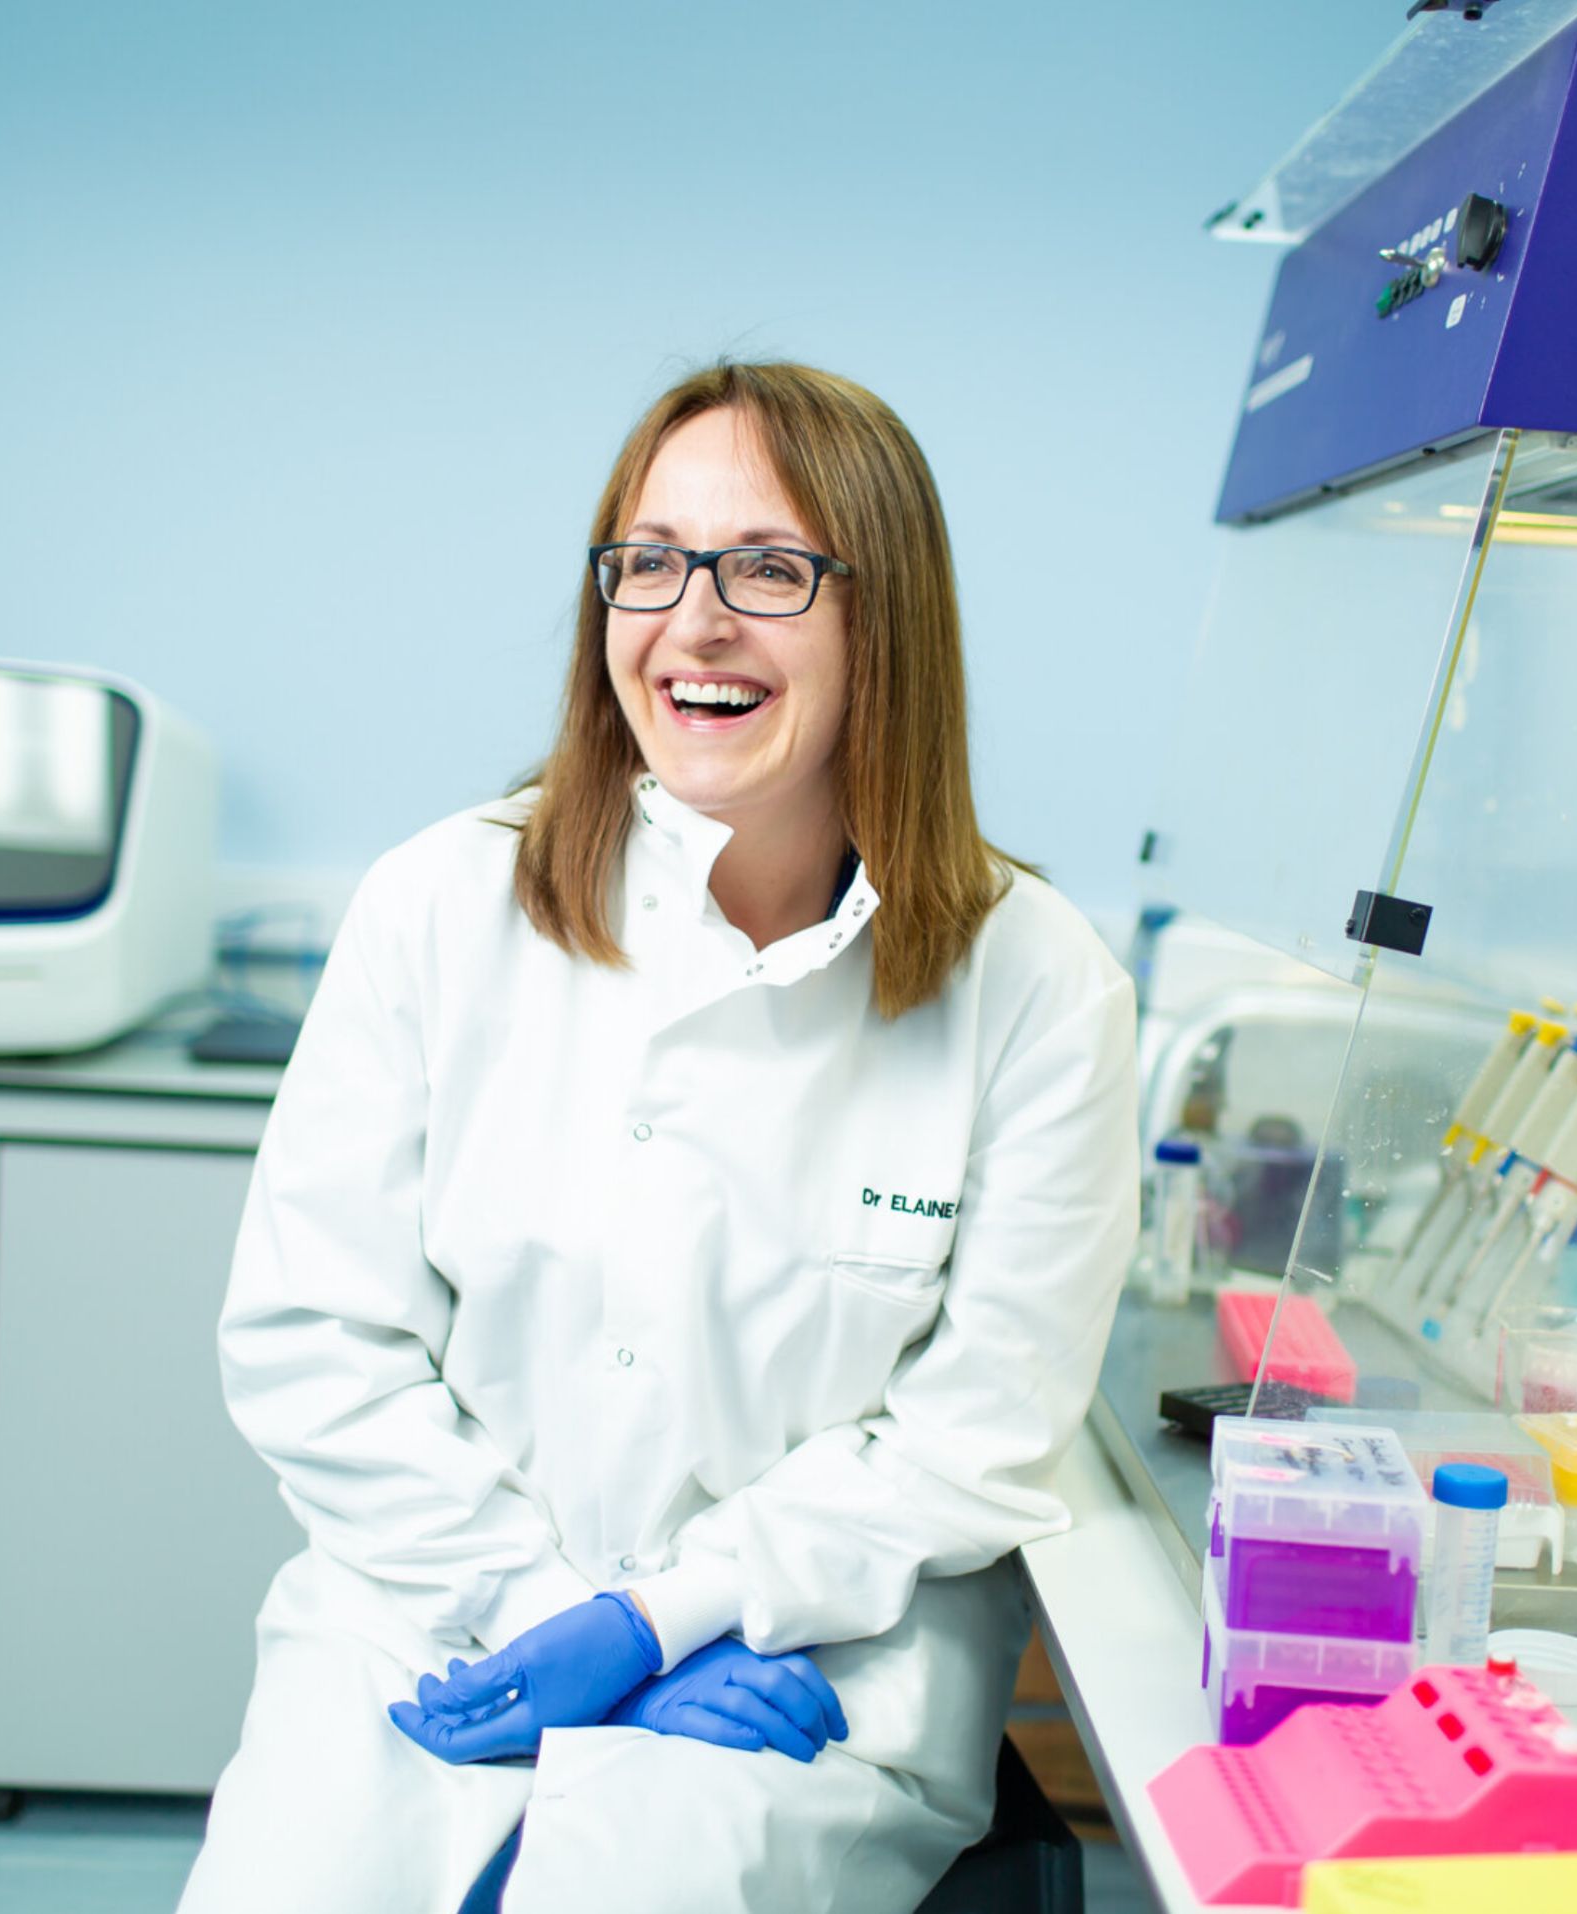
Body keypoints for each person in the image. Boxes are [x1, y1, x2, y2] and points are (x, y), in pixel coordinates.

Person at [177, 360, 1138, 1914]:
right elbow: (314, 1342)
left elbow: (978, 1436)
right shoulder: (438, 906)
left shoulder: (1037, 985)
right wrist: (551, 1616)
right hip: (432, 1617)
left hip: (796, 1664)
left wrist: (659, 1623)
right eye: (649, 562)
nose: (694, 621)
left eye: (767, 568)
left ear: (880, 617)